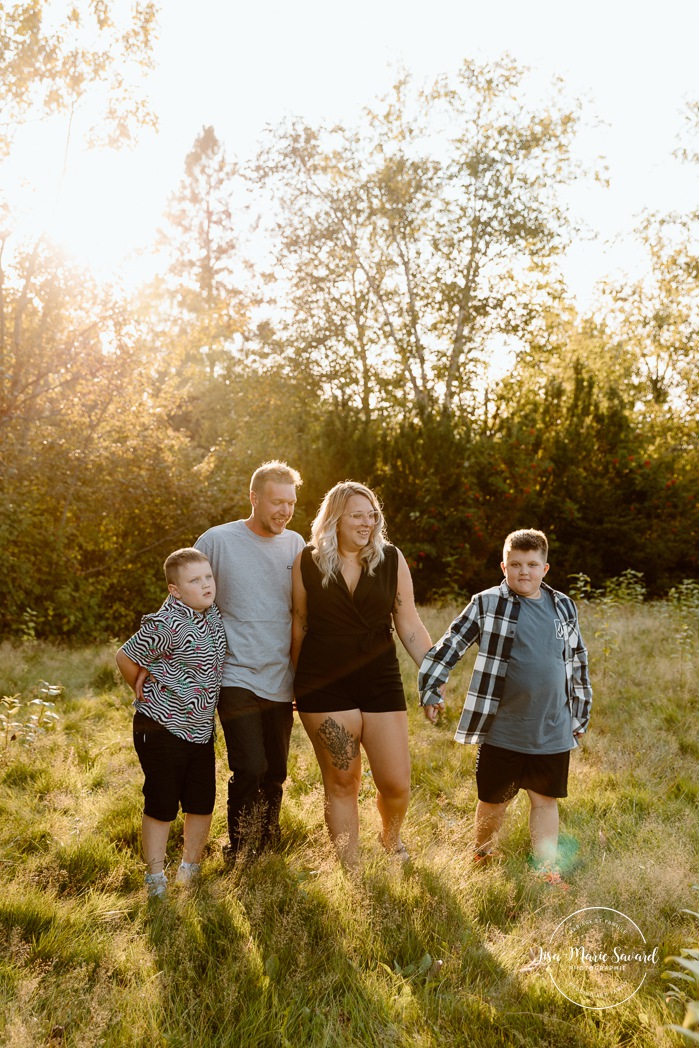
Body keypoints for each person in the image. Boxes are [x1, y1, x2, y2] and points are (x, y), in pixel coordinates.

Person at [418, 528, 592, 884]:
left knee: (545, 799)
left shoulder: (563, 606)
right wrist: (431, 686)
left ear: (546, 569)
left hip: (552, 726)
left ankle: (546, 867)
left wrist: (580, 711)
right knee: (495, 799)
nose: (523, 571)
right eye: (515, 564)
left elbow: (577, 660)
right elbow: (450, 645)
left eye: (531, 564)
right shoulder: (487, 603)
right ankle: (482, 852)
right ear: (503, 566)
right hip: (503, 728)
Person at [291, 481, 434, 868]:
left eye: (372, 515)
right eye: (357, 515)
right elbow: (300, 625)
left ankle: (391, 838)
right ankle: (350, 869)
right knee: (342, 783)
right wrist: (290, 683)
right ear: (336, 518)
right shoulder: (308, 561)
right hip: (322, 683)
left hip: (379, 680)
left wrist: (433, 674)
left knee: (396, 784)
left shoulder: (390, 559)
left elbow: (409, 624)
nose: (367, 522)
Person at [195, 461, 304, 863]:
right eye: (277, 502)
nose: (285, 511)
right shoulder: (217, 541)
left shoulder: (295, 544)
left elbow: (303, 614)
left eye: (290, 503)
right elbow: (186, 596)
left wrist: (302, 676)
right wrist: (158, 657)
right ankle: (239, 850)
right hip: (234, 673)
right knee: (251, 767)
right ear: (254, 498)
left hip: (281, 675)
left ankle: (267, 844)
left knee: (276, 771)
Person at [116, 548, 226, 898]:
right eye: (195, 580)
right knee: (162, 802)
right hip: (161, 726)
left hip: (200, 729)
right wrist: (143, 686)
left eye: (208, 576)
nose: (206, 584)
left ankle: (189, 871)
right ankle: (155, 878)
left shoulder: (212, 614)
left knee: (201, 800)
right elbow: (125, 655)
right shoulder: (166, 623)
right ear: (174, 590)